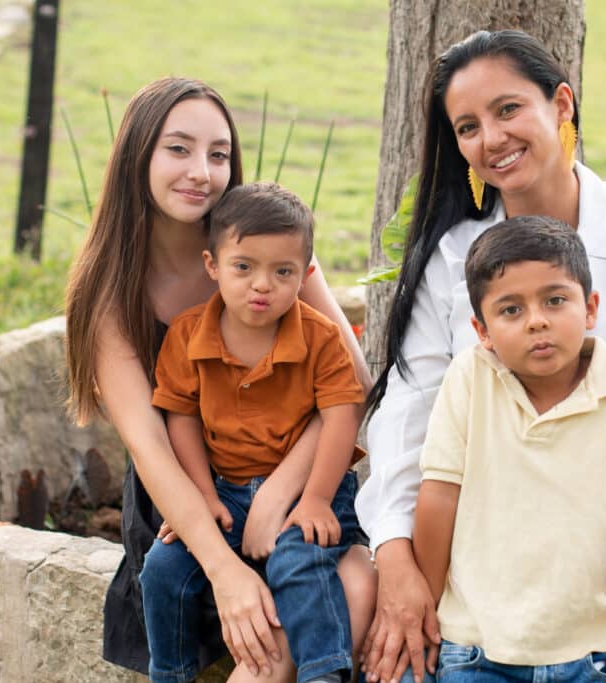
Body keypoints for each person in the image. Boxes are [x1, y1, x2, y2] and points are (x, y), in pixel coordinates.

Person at [356, 30, 606, 683]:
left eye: (507, 110)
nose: (490, 138)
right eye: (467, 126)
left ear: (561, 104)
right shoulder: (452, 258)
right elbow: (408, 417)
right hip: (483, 554)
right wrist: (396, 559)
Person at [64, 77, 375, 681]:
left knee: (357, 577)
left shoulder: (265, 249)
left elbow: (350, 386)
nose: (201, 171)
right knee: (238, 614)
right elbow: (151, 448)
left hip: (291, 490)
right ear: (138, 155)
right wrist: (223, 569)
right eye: (177, 149)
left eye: (219, 153)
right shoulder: (110, 292)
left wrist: (284, 494)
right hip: (189, 503)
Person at [413, 216, 606, 683]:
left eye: (555, 300)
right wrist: (424, 608)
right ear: (482, 329)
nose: (537, 321)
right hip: (476, 650)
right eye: (511, 310)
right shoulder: (471, 379)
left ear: (590, 309)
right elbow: (439, 494)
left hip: (591, 651)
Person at [144, 181, 370, 683]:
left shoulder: (320, 337)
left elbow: (340, 416)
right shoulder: (187, 335)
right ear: (213, 266)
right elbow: (180, 418)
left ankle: (323, 670)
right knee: (161, 567)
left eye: (282, 271)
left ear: (304, 274)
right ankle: (170, 674)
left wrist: (315, 500)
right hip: (225, 487)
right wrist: (201, 496)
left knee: (298, 558)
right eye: (244, 267)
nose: (262, 285)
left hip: (310, 492)